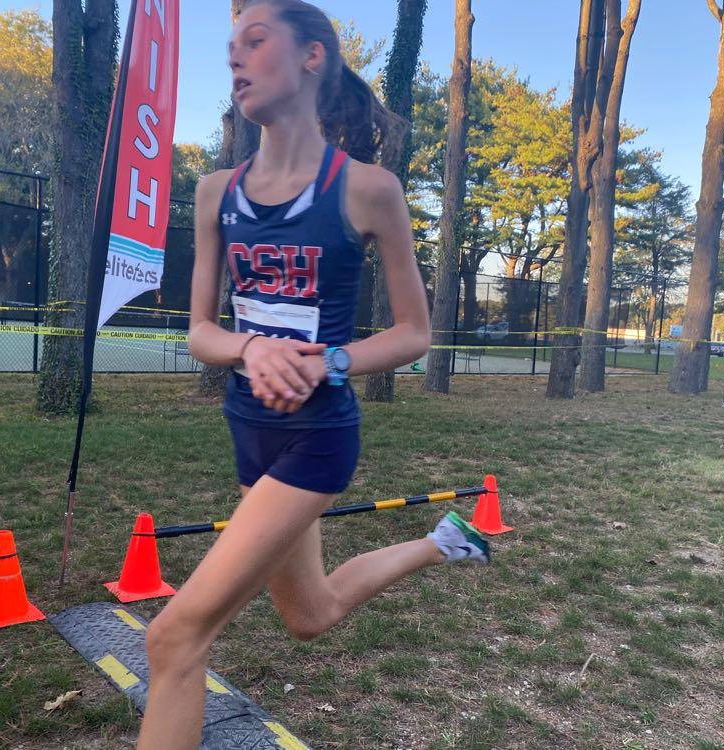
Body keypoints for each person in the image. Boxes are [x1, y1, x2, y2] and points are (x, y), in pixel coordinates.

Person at [136, 3, 490, 747]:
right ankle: (443, 542)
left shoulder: (368, 188)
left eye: (255, 41)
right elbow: (200, 331)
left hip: (316, 439)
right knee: (311, 615)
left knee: (174, 638)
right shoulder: (215, 192)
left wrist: (330, 360)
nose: (235, 58)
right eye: (231, 46)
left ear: (312, 56)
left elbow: (414, 333)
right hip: (249, 432)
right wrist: (249, 348)